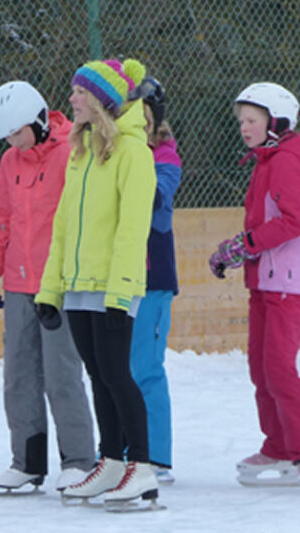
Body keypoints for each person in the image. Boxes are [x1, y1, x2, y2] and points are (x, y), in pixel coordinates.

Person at [34, 58, 160, 510]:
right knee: (96, 375)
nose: (71, 99)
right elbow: (63, 226)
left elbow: (132, 230)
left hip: (113, 287)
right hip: (78, 285)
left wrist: (120, 292)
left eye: (79, 92)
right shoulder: (81, 151)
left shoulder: (134, 153)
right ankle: (110, 462)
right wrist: (50, 291)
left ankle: (141, 467)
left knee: (117, 374)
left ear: (101, 100)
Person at [208, 82, 300, 496]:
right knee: (260, 368)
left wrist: (246, 245)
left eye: (252, 120)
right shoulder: (265, 161)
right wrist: (238, 250)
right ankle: (278, 446)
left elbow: (292, 221)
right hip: (265, 280)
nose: (244, 127)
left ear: (275, 121)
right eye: (241, 120)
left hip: (288, 282)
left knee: (279, 368)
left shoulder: (285, 163)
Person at [0, 80, 96, 495]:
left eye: (17, 132)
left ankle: (80, 460)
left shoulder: (71, 153)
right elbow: (3, 220)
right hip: (18, 283)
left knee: (61, 374)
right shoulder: (10, 161)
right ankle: (26, 462)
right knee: (18, 375)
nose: (13, 142)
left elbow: (78, 223)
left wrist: (67, 279)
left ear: (39, 120)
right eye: (7, 137)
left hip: (58, 285)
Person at [128, 76, 182, 486]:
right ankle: (121, 449)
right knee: (115, 366)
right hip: (116, 277)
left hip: (152, 278)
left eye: (139, 112)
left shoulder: (164, 157)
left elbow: (158, 202)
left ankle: (156, 456)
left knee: (145, 366)